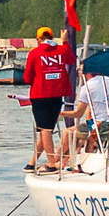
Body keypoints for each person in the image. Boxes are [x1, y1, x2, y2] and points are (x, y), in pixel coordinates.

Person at [22, 27, 74, 172]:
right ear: (52, 37)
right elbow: (71, 59)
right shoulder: (62, 50)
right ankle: (32, 163)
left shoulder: (34, 53)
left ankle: (51, 164)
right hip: (57, 95)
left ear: (39, 39)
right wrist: (65, 42)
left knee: (44, 130)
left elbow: (27, 78)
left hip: (40, 96)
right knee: (47, 130)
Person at [77, 58, 109, 155]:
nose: (79, 71)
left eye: (81, 70)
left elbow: (78, 113)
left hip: (101, 124)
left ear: (87, 73)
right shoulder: (107, 79)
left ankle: (57, 163)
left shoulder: (86, 88)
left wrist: (60, 113)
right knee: (81, 130)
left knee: (68, 133)